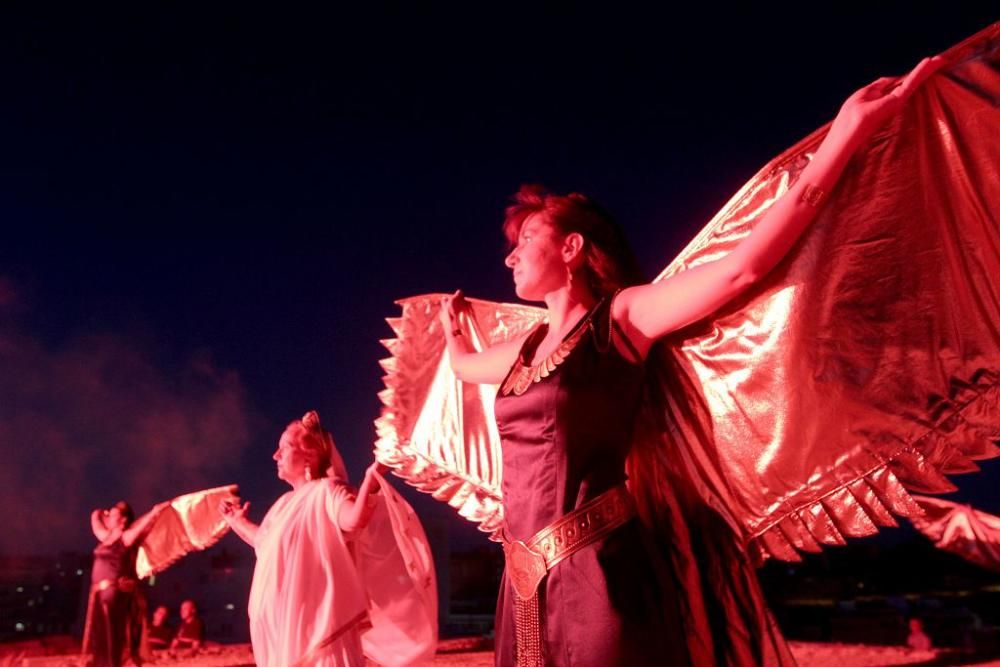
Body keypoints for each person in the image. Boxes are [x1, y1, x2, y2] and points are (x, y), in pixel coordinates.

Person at [438, 58, 942, 666]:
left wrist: (846, 134)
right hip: (519, 586)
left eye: (525, 242)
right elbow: (466, 369)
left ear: (572, 247)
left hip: (602, 575)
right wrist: (450, 333)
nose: (510, 258)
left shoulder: (623, 318)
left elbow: (742, 268)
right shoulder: (522, 351)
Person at [221, 410, 437, 667]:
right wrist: (237, 522)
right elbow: (264, 543)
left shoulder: (329, 490)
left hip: (320, 629)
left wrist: (369, 481)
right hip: (284, 628)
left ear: (309, 457)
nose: (275, 456)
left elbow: (353, 521)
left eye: (285, 448)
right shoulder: (283, 504)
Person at [85, 499, 168, 667]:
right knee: (101, 640)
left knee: (112, 637)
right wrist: (100, 512)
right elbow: (95, 519)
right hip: (99, 595)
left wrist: (155, 511)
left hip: (113, 594)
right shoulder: (106, 537)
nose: (109, 516)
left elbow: (142, 525)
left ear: (123, 519)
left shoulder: (126, 537)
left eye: (114, 514)